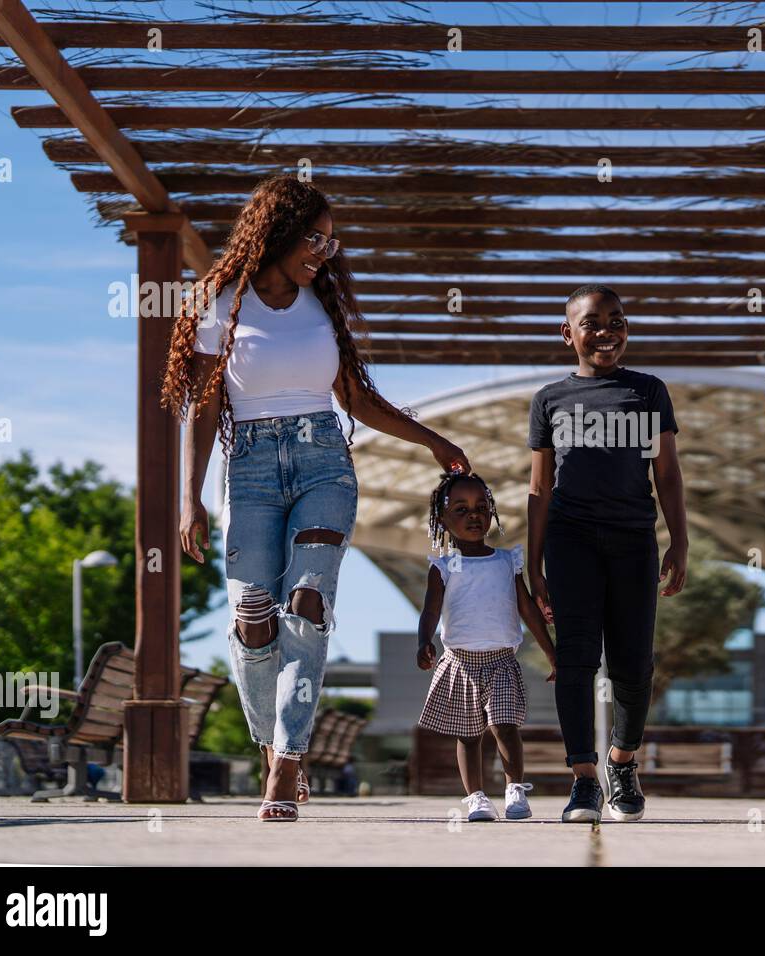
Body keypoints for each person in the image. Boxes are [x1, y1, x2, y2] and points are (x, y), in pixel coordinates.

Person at [165, 174, 469, 822]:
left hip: (323, 464)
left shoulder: (322, 305)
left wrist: (433, 441)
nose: (323, 253)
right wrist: (187, 499)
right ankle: (276, 739)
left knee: (307, 604)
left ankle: (286, 764)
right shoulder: (222, 301)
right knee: (254, 615)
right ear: (274, 231)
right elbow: (205, 403)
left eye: (331, 243)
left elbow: (356, 399)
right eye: (314, 238)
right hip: (247, 467)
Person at [527, 285, 688, 824]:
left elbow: (666, 472)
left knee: (634, 661)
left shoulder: (648, 392)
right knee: (575, 661)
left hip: (632, 541)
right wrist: (533, 563)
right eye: (592, 323)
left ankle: (622, 761)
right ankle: (584, 782)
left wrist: (678, 540)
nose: (606, 332)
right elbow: (539, 488)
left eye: (616, 321)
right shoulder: (550, 399)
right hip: (570, 542)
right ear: (567, 333)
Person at [416, 471, 557, 822]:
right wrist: (424, 642)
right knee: (468, 735)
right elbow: (430, 609)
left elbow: (527, 610)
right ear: (442, 520)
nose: (473, 515)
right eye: (460, 510)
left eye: (481, 507)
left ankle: (514, 790)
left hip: (502, 661)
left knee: (505, 726)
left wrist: (552, 653)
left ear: (492, 512)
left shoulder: (507, 561)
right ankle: (476, 797)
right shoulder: (444, 566)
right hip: (459, 662)